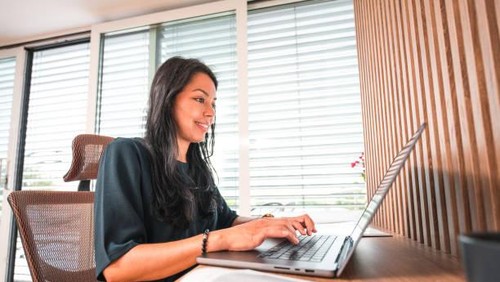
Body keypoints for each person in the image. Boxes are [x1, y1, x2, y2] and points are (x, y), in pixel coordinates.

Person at [94, 56, 317, 282]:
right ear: (168, 100)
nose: (211, 113)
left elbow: (227, 220)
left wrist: (269, 223)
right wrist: (220, 239)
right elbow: (118, 268)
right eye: (200, 99)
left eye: (213, 103)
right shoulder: (126, 154)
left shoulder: (198, 168)